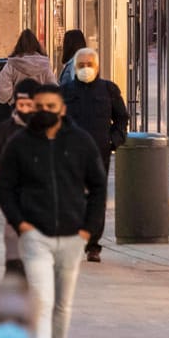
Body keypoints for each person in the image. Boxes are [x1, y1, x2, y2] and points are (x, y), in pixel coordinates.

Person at [0, 83, 104, 338]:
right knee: (42, 299)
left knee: (63, 304)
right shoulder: (20, 144)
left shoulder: (80, 142)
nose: (43, 113)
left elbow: (97, 186)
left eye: (50, 108)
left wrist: (87, 229)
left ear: (62, 110)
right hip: (36, 236)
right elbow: (5, 187)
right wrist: (22, 225)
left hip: (72, 236)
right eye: (38, 107)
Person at [61, 48, 129, 262]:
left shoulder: (108, 90)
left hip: (99, 153)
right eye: (81, 65)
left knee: (97, 199)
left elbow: (121, 119)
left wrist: (114, 140)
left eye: (89, 64)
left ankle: (93, 244)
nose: (86, 69)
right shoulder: (65, 92)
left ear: (97, 66)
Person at [0, 79, 38, 278]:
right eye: (20, 105)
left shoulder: (46, 129)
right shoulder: (4, 130)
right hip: (15, 194)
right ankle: (14, 269)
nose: (24, 110)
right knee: (13, 233)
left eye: (28, 105)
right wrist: (2, 173)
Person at [0, 29, 56, 104]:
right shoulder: (44, 65)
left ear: (19, 45)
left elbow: (3, 92)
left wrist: (12, 100)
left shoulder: (12, 65)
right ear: (36, 45)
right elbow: (53, 89)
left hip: (18, 106)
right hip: (39, 107)